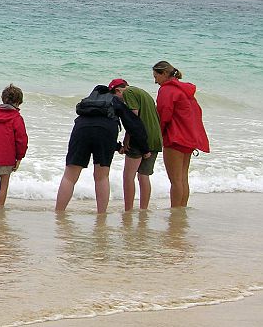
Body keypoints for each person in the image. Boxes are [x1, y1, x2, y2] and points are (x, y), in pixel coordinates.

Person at [54, 83, 149, 214]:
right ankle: (101, 215)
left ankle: (59, 213)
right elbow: (133, 125)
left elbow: (93, 127)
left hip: (81, 129)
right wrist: (145, 149)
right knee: (101, 177)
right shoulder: (114, 101)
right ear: (115, 92)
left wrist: (117, 146)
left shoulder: (88, 102)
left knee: (69, 177)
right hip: (106, 132)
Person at [153, 61, 210, 208]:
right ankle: (181, 209)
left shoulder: (167, 90)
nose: (155, 81)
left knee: (175, 180)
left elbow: (163, 115)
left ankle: (175, 211)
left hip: (175, 138)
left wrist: (157, 135)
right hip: (188, 138)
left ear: (164, 74)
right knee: (183, 178)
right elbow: (196, 113)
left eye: (156, 77)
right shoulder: (185, 90)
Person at [107, 77, 162, 210]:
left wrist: (127, 140)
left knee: (128, 176)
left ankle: (128, 209)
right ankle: (144, 209)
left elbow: (133, 119)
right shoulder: (143, 93)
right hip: (155, 138)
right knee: (143, 175)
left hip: (139, 139)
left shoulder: (128, 93)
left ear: (118, 90)